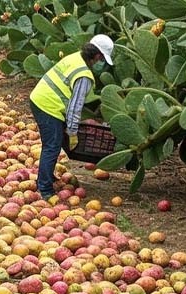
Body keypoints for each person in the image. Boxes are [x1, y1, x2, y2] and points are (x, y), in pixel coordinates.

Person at [29, 34, 115, 197]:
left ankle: (46, 178)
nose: (101, 62)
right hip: (48, 106)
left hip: (39, 98)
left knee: (51, 144)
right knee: (52, 146)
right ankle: (45, 189)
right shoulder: (84, 75)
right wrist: (73, 132)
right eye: (102, 59)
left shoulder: (75, 57)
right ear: (98, 55)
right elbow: (75, 107)